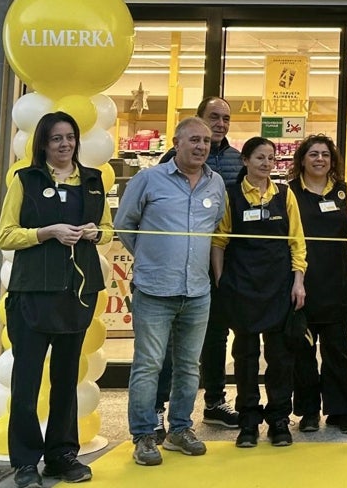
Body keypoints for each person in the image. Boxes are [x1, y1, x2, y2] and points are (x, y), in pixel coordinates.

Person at [0, 112, 113, 488]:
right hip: (32, 295)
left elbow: (109, 229)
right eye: (56, 139)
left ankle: (62, 454)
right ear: (43, 144)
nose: (65, 145)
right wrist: (44, 233)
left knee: (66, 379)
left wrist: (97, 234)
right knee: (27, 382)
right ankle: (26, 461)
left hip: (76, 296)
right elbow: (6, 235)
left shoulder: (93, 182)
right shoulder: (25, 181)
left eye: (70, 138)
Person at [116, 117, 226, 467]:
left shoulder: (216, 184)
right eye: (194, 140)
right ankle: (144, 435)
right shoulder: (149, 179)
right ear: (176, 143)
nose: (201, 147)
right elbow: (124, 224)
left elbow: (214, 228)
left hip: (197, 290)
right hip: (153, 290)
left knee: (189, 367)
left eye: (206, 141)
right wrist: (149, 259)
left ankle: (180, 429)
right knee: (148, 365)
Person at [210, 137, 307, 449]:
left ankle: (279, 419)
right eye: (259, 158)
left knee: (279, 357)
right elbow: (219, 240)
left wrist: (298, 280)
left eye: (271, 158)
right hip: (242, 287)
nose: (266, 164)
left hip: (279, 286)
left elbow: (297, 241)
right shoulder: (232, 196)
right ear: (245, 162)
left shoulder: (284, 194)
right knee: (246, 356)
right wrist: (222, 278)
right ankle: (248, 419)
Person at [153, 96, 243, 434]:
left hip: (220, 265)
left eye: (225, 119)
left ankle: (215, 402)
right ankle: (159, 407)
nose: (220, 125)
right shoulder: (169, 161)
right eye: (213, 118)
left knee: (217, 335)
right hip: (178, 265)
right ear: (199, 121)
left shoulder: (238, 160)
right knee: (170, 342)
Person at [289, 135, 347, 435]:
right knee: (302, 351)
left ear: (333, 161)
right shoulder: (289, 193)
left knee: (337, 349)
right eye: (313, 154)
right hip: (300, 284)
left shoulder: (344, 193)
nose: (320, 159)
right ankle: (307, 411)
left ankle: (340, 411)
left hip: (335, 283)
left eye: (326, 155)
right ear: (302, 159)